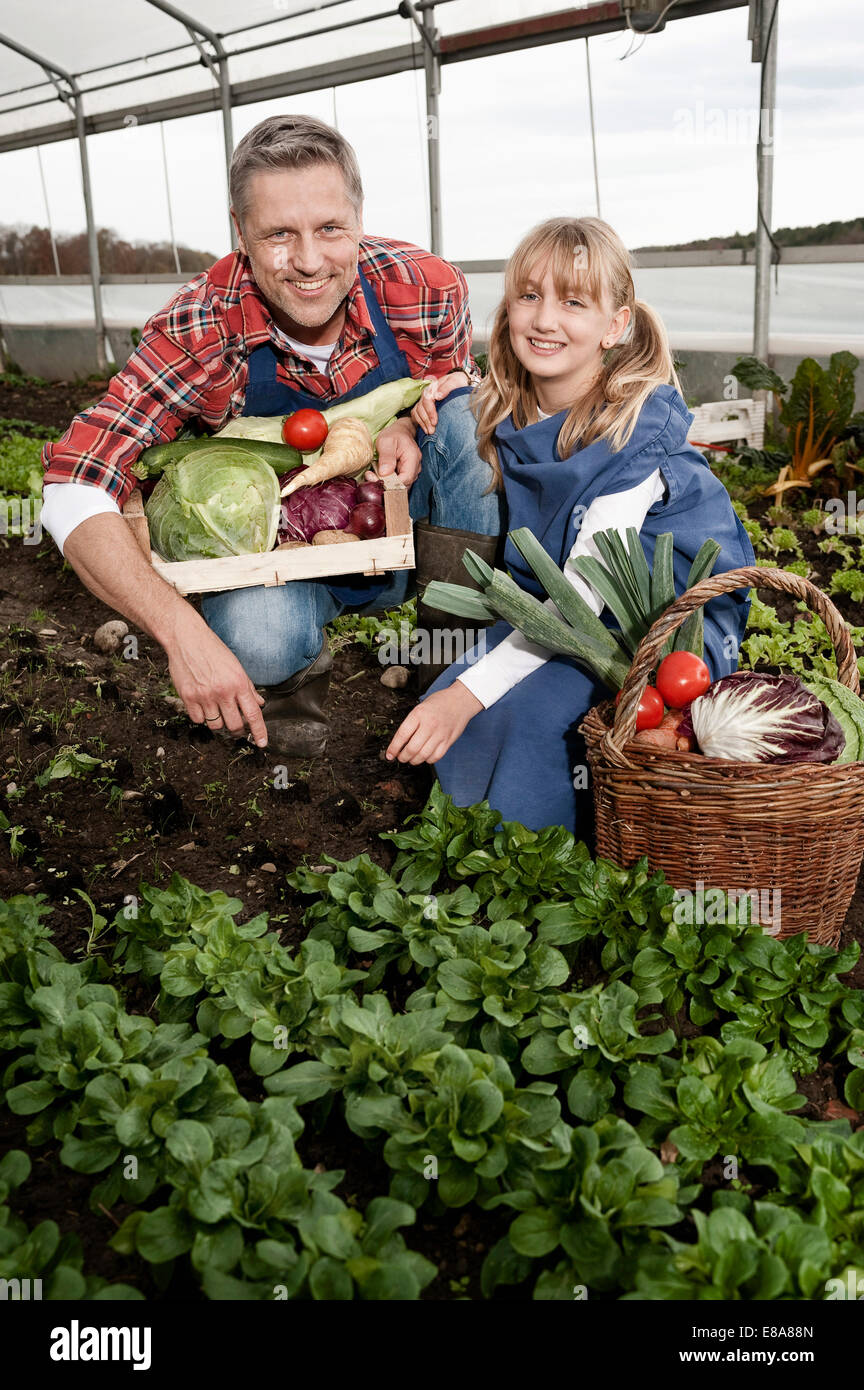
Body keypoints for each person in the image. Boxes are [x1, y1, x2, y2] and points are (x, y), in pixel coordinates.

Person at [40, 115, 503, 757]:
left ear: (359, 217)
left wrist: (406, 415)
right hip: (279, 555)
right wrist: (178, 631)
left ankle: (453, 667)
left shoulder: (425, 288)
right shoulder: (201, 325)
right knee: (258, 641)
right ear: (241, 232)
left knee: (468, 413)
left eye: (331, 229)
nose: (309, 262)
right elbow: (73, 481)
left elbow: (452, 396)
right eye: (279, 234)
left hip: (405, 529)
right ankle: (292, 681)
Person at [385, 216, 756, 833]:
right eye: (529, 295)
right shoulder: (513, 404)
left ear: (616, 325)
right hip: (558, 608)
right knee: (458, 700)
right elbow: (456, 403)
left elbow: (585, 590)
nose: (544, 318)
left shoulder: (632, 431)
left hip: (655, 624)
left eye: (573, 302)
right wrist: (403, 421)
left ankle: (545, 860)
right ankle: (473, 844)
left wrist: (467, 695)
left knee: (532, 719)